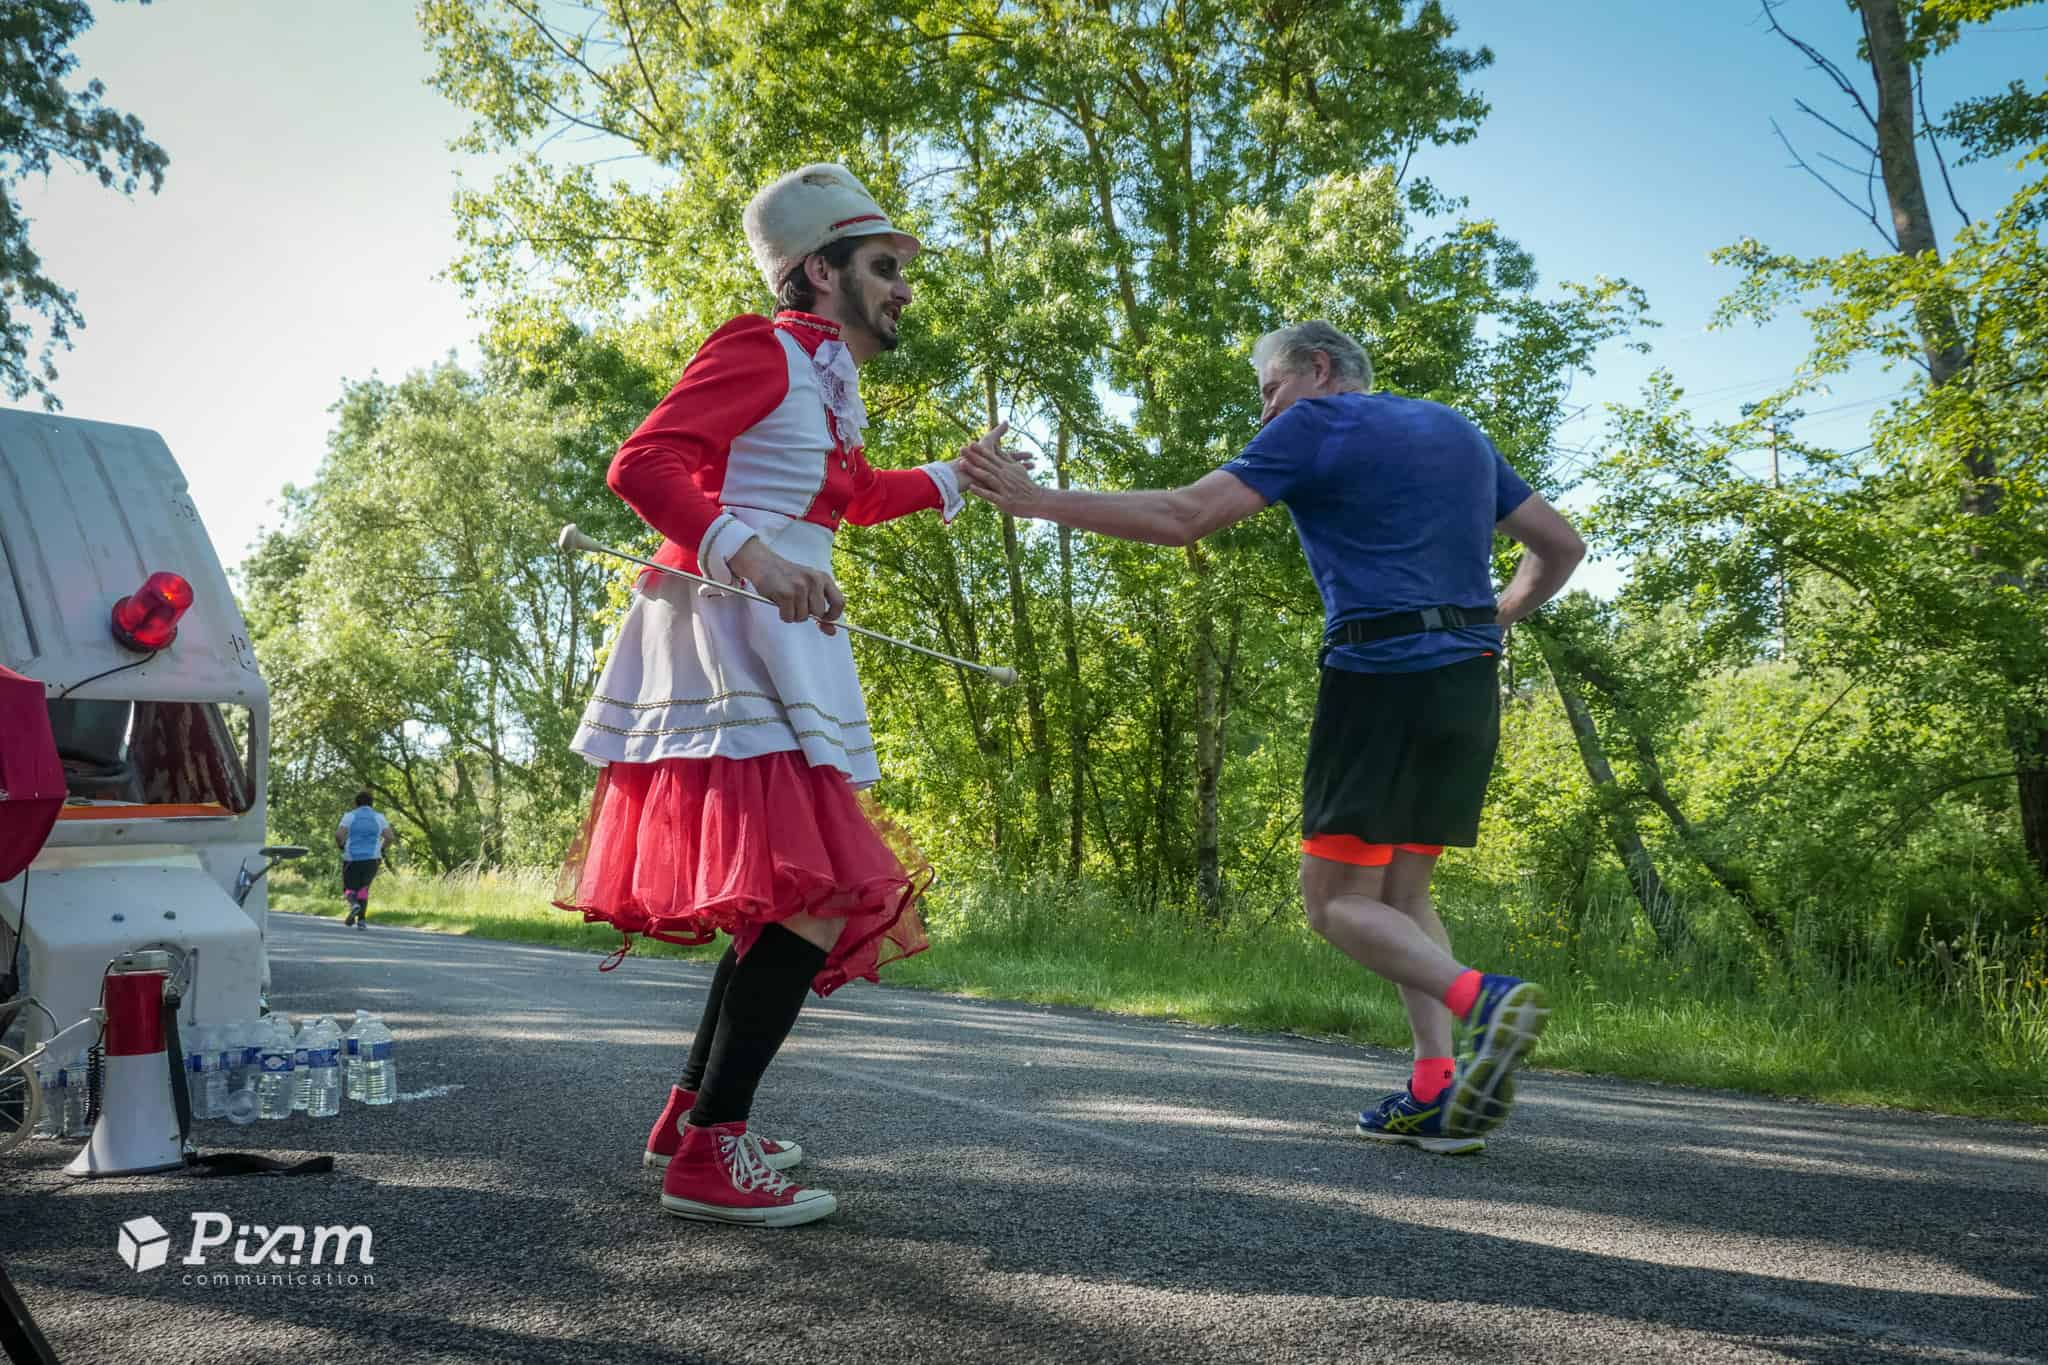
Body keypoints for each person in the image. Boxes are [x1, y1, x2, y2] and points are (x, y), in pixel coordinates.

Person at [961, 320, 1586, 1154]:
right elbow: (1560, 545)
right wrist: (1499, 616)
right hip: (1466, 684)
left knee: (1334, 904)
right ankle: (1436, 1091)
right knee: (1402, 895)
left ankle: (1485, 998)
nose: (1265, 414)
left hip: (1380, 678)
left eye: (1268, 390)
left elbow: (1184, 516)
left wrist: (1036, 501)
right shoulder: (1456, 428)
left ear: (1318, 368)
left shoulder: (1318, 423)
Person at [556, 164, 1019, 1227]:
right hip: (730, 635)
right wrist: (750, 557)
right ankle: (711, 1155)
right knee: (813, 895)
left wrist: (954, 477)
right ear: (818, 270)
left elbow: (844, 501)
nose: (903, 286)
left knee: (781, 900)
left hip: (775, 636)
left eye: (902, 268)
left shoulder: (823, 379)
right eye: (883, 266)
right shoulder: (756, 346)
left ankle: (692, 1120)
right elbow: (643, 465)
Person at [335, 790, 393, 930]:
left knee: (348, 888)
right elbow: (390, 837)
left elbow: (338, 835)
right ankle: (361, 921)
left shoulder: (350, 816)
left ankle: (354, 905)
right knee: (363, 888)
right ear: (371, 804)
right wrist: (381, 849)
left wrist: (341, 845)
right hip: (372, 859)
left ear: (356, 803)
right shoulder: (379, 817)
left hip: (352, 858)